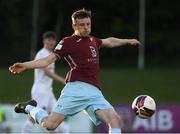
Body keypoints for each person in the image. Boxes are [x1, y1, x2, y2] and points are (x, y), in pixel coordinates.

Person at [9, 8, 141, 134]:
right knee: (50, 125)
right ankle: (28, 108)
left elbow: (110, 41)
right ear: (75, 26)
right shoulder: (68, 42)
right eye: (82, 25)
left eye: (88, 24)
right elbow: (46, 61)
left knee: (115, 120)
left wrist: (128, 41)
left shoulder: (93, 40)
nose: (86, 27)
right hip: (75, 89)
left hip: (95, 93)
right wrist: (25, 65)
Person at [21, 31, 70, 133]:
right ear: (44, 41)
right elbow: (47, 72)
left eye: (52, 40)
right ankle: (25, 131)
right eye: (48, 40)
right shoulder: (41, 53)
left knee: (57, 116)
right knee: (34, 117)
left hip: (48, 91)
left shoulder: (51, 54)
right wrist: (63, 80)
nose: (51, 42)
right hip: (40, 90)